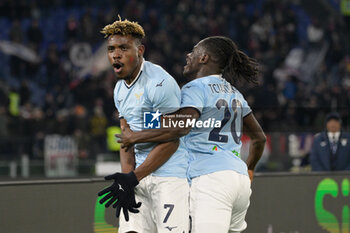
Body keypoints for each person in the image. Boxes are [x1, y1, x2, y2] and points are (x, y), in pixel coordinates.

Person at [117, 36, 266, 233]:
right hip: (238, 181)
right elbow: (259, 138)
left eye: (194, 51)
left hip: (209, 179)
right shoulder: (235, 93)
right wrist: (249, 170)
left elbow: (180, 125)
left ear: (204, 58)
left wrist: (137, 132)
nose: (188, 55)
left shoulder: (194, 89)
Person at [97, 17, 189, 233]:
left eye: (123, 48)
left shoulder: (159, 83)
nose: (116, 54)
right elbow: (125, 140)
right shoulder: (119, 90)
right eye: (111, 49)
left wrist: (134, 176)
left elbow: (172, 139)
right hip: (139, 177)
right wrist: (126, 181)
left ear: (140, 50)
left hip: (169, 177)